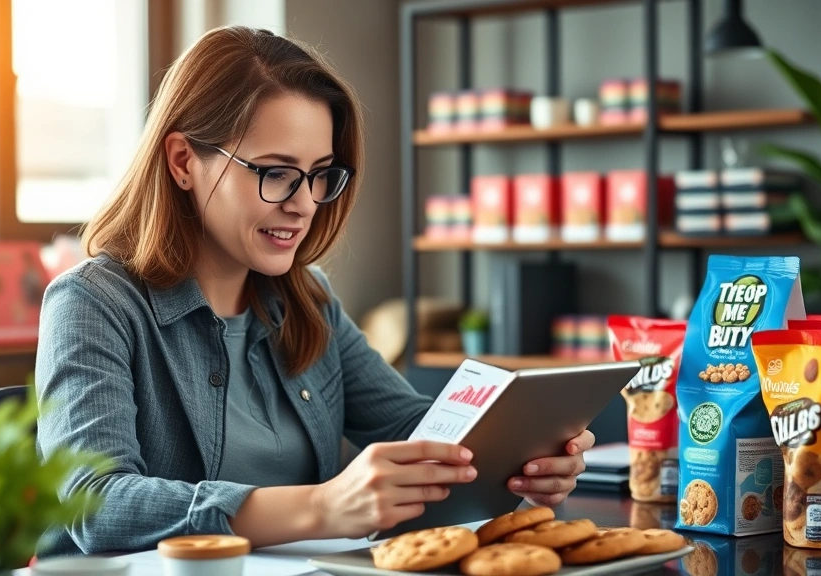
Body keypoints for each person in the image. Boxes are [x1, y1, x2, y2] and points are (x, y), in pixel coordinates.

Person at [34, 25, 594, 558]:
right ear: (183, 161)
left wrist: (519, 457)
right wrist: (323, 506)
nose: (304, 203)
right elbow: (96, 502)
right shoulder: (91, 303)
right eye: (276, 172)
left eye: (320, 173)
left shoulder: (308, 301)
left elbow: (415, 431)